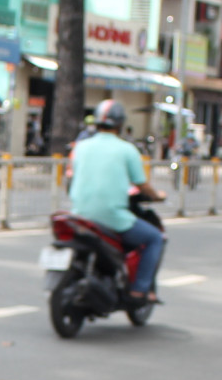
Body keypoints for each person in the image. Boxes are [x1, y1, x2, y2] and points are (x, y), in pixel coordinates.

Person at [67, 98, 165, 304]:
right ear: (120, 124)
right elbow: (142, 184)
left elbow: (72, 177)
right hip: (112, 217)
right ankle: (140, 290)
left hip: (79, 214)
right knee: (155, 238)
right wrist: (157, 196)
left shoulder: (80, 147)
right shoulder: (127, 150)